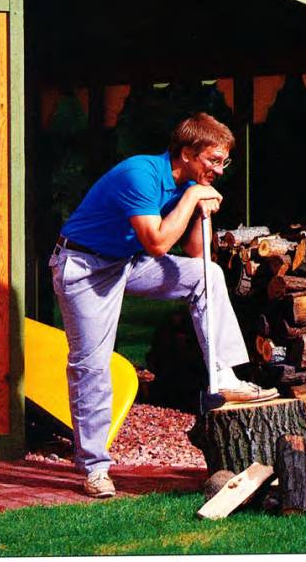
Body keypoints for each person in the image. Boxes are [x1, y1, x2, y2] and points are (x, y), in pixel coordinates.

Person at [49, 112, 278, 498]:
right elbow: (156, 242)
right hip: (84, 266)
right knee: (92, 366)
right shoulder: (140, 175)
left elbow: (195, 255)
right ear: (187, 153)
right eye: (213, 160)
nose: (220, 170)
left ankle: (222, 375)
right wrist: (192, 198)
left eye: (225, 161)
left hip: (125, 262)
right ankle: (95, 467)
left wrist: (201, 210)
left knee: (208, 276)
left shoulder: (189, 182)